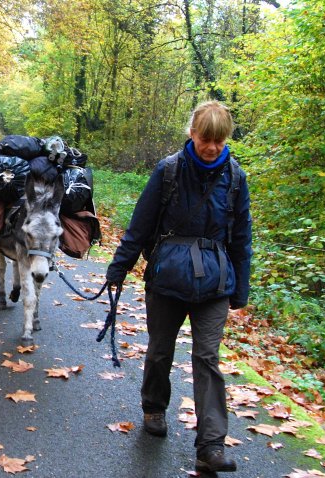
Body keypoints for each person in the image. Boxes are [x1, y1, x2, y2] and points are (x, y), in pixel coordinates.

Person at [105, 101, 252, 473]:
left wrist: (241, 290)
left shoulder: (235, 179)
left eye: (220, 141)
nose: (213, 148)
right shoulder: (168, 171)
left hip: (215, 283)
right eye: (206, 139)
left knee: (207, 359)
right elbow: (140, 225)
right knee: (159, 350)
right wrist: (118, 268)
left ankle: (211, 446)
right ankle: (154, 407)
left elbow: (242, 238)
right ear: (192, 133)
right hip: (168, 279)